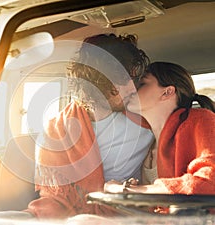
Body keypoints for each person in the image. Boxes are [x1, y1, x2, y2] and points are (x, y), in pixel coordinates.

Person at [24, 33, 154, 219]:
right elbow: (53, 199)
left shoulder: (145, 119)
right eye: (121, 80)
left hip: (134, 215)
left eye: (132, 79)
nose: (132, 89)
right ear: (96, 81)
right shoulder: (54, 133)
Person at [104, 61, 215, 196]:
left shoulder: (201, 119)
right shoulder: (145, 138)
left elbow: (209, 183)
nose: (132, 88)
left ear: (167, 92)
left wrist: (130, 190)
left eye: (141, 83)